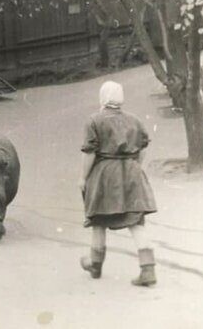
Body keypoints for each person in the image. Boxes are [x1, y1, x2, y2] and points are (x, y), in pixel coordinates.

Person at [78, 81, 158, 287]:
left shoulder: (94, 120)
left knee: (98, 218)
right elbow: (143, 149)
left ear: (103, 97)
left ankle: (95, 264)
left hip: (105, 173)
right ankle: (147, 269)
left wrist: (83, 178)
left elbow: (90, 153)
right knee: (136, 221)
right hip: (132, 171)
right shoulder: (135, 120)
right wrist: (133, 166)